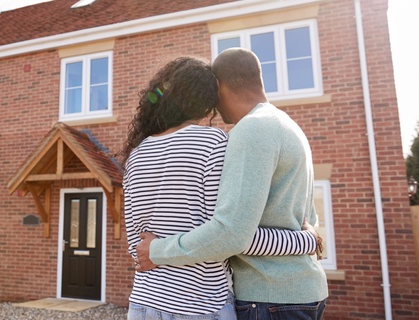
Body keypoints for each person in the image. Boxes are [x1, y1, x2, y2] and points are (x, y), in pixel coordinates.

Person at [122, 56, 322, 320]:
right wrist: (304, 240)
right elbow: (230, 235)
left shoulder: (136, 155)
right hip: (199, 305)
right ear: (208, 95)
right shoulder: (214, 143)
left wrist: (155, 251)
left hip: (144, 302)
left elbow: (138, 247)